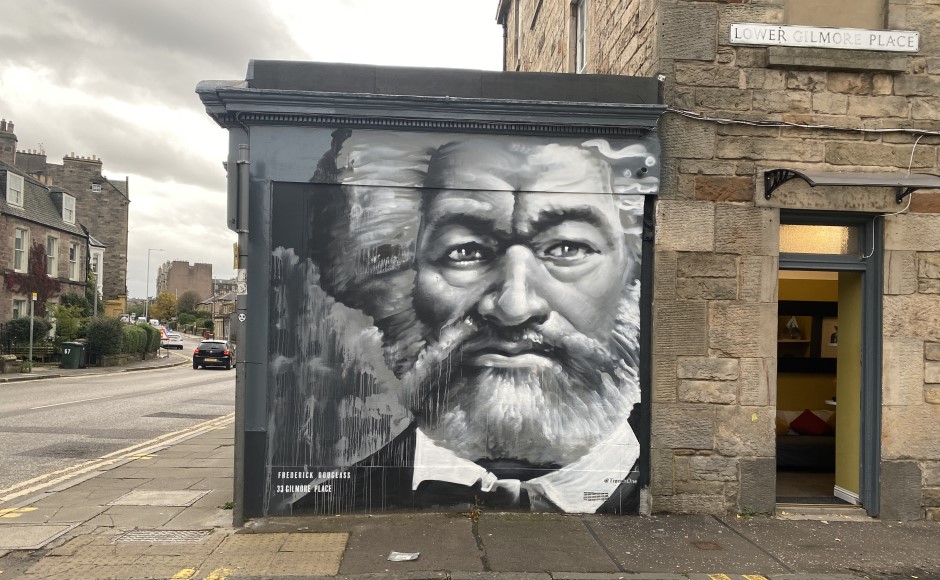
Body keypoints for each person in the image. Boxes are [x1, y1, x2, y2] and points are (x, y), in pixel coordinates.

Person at [271, 132, 655, 514]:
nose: (514, 306)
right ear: (406, 278)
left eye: (568, 248)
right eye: (465, 251)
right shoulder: (325, 509)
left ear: (632, 271)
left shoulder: (670, 484)